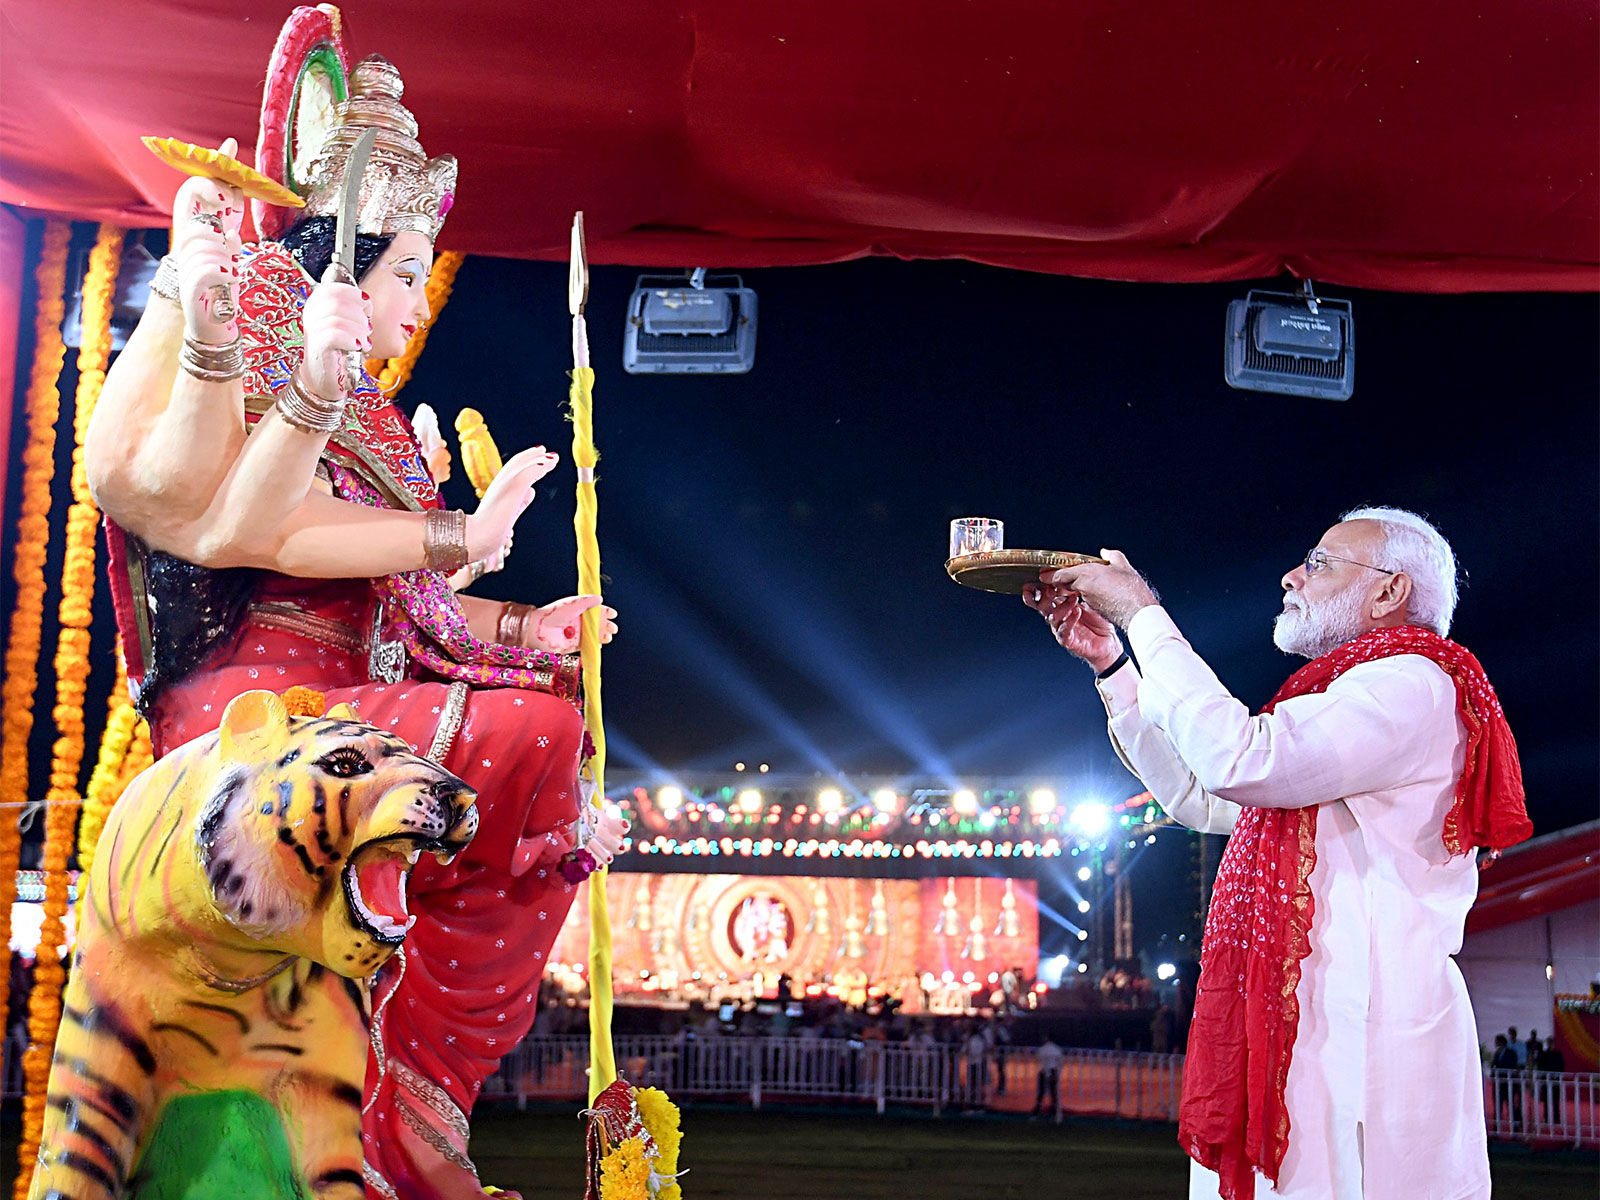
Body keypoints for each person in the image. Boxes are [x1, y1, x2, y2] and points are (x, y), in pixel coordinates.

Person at [85, 22, 624, 1198]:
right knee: (528, 738)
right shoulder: (263, 371)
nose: (409, 297)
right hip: (258, 716)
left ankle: (416, 1090)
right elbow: (251, 533)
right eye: (400, 269)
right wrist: (454, 529)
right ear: (346, 270)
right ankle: (396, 1108)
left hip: (345, 708)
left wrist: (532, 627)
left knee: (557, 718)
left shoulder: (368, 418)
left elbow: (416, 609)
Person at [1024, 507, 1532, 1200]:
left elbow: (1242, 759)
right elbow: (1202, 795)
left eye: (1320, 563)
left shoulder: (1412, 682)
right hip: (1305, 1030)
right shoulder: (1352, 693)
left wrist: (1144, 613)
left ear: (1389, 593)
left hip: (1361, 1041)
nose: (1293, 576)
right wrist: (1115, 665)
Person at [1490, 1035, 1522, 1133]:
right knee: (1498, 1108)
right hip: (1498, 1085)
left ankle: (1515, 1130)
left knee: (1511, 1107)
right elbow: (1493, 1066)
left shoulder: (1511, 1053)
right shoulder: (1497, 1054)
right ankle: (1496, 1130)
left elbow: (1513, 1066)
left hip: (1509, 1085)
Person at [1536, 1037, 1566, 1126]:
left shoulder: (1558, 1054)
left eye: (1551, 1042)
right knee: (1546, 1100)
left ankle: (1556, 1118)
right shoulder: (1543, 1054)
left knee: (1555, 1100)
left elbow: (1560, 1066)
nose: (1549, 1044)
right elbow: (1540, 1065)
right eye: (1548, 1042)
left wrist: (1555, 1074)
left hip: (1555, 1080)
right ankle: (1546, 1118)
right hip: (1545, 1079)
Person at [1033, 1036, 1065, 1119]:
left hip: (1044, 1071)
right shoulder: (1057, 1049)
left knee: (1041, 1092)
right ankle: (1054, 1111)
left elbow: (1039, 1060)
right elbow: (1061, 1062)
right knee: (1053, 1092)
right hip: (1053, 1071)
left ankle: (1037, 1111)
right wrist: (1057, 1072)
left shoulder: (1042, 1049)